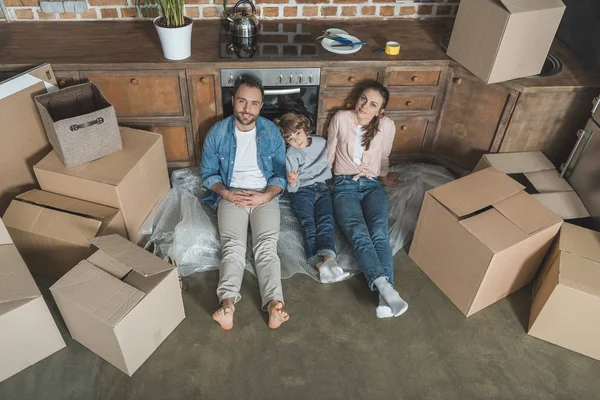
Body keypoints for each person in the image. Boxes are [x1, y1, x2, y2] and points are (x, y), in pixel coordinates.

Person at [201, 75, 289, 330]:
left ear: (261, 106)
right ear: (233, 101)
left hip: (263, 195)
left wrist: (266, 195)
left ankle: (274, 304)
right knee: (233, 246)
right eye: (242, 101)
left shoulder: (271, 132)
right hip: (232, 194)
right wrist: (226, 194)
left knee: (266, 246)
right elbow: (208, 173)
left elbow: (280, 174)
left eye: (253, 103)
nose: (246, 109)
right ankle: (227, 304)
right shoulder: (217, 132)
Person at [327, 81, 409, 319]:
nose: (365, 106)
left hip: (372, 185)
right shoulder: (342, 118)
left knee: (379, 232)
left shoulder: (386, 125)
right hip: (344, 184)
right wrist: (323, 183)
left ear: (380, 111)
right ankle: (386, 289)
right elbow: (330, 152)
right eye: (363, 99)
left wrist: (384, 179)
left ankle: (386, 295)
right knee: (357, 231)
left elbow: (384, 156)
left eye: (372, 104)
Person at [276, 113, 350, 284]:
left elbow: (333, 161)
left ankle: (330, 260)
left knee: (326, 220)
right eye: (291, 139)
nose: (296, 141)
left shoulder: (322, 143)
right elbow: (291, 188)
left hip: (323, 187)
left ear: (305, 129)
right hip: (302, 191)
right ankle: (318, 264)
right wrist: (293, 181)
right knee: (309, 224)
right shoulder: (291, 155)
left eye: (298, 134)